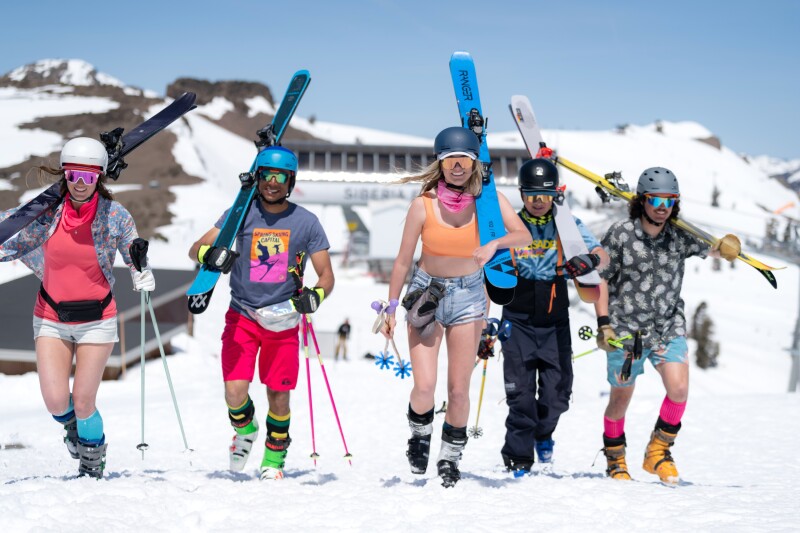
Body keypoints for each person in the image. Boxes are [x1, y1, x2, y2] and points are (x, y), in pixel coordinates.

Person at [381, 126, 530, 487]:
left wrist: (495, 245)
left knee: (459, 390)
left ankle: (450, 458)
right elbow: (403, 260)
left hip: (469, 297)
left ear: (475, 162)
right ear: (440, 163)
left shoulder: (489, 202)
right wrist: (388, 307)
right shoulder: (423, 204)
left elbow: (523, 235)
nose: (457, 166)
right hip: (426, 295)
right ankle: (419, 437)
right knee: (424, 387)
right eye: (450, 159)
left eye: (464, 158)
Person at [0, 137, 155, 479]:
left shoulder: (114, 215)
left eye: (88, 177)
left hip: (97, 320)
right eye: (73, 176)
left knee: (84, 401)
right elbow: (9, 232)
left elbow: (133, 248)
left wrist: (141, 272)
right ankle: (73, 428)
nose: (80, 185)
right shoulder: (45, 213)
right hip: (51, 316)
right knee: (58, 402)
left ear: (99, 176)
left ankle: (92, 458)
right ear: (64, 176)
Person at [189, 146, 333, 480]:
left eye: (280, 176)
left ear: (290, 181)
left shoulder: (306, 222)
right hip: (242, 314)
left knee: (278, 395)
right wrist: (213, 255)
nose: (272, 182)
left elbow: (326, 275)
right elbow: (195, 249)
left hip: (283, 319)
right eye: (266, 174)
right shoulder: (239, 213)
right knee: (234, 392)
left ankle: (273, 459)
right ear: (257, 178)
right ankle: (245, 429)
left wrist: (317, 295)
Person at [594, 167, 741, 484]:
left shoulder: (679, 235)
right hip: (626, 333)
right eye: (657, 199)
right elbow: (600, 280)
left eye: (670, 200)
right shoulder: (620, 234)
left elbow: (712, 247)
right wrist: (603, 323)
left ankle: (658, 452)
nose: (663, 206)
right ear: (643, 201)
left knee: (679, 390)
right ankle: (615, 458)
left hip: (667, 328)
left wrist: (726, 247)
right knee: (620, 398)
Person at [499, 158, 609, 475]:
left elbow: (602, 254)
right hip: (517, 317)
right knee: (519, 394)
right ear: (521, 194)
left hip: (554, 317)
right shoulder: (510, 224)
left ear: (554, 196)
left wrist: (588, 260)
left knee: (558, 393)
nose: (537, 201)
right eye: (531, 194)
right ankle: (518, 456)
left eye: (543, 195)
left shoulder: (566, 223)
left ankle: (543, 433)